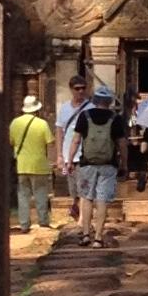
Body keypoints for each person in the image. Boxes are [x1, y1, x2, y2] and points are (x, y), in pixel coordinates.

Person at [74, 87, 124, 246]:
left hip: (87, 164)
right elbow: (122, 144)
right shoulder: (115, 118)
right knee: (102, 200)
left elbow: (76, 140)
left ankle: (86, 233)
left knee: (87, 198)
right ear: (109, 101)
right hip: (108, 165)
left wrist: (69, 159)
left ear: (94, 100)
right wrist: (125, 162)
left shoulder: (85, 116)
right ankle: (98, 237)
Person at [9, 91, 54, 233]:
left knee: (23, 195)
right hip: (40, 165)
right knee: (40, 193)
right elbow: (50, 143)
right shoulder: (42, 124)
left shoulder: (15, 123)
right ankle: (43, 222)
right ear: (37, 109)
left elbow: (10, 141)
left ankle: (24, 224)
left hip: (22, 165)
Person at [56, 74, 92, 237]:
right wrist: (59, 156)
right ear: (71, 90)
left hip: (85, 154)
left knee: (84, 188)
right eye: (77, 89)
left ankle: (83, 221)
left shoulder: (90, 108)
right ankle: (80, 216)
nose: (81, 92)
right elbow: (59, 132)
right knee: (73, 191)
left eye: (83, 88)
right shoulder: (64, 108)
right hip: (68, 156)